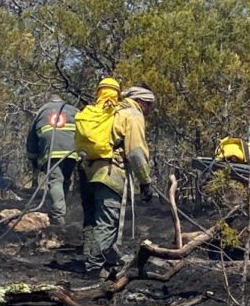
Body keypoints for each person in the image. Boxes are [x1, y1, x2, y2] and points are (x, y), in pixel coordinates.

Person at [80, 84, 155, 277]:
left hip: (88, 170)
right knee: (107, 221)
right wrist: (145, 181)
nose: (149, 111)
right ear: (140, 101)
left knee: (93, 219)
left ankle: (95, 260)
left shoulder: (111, 111)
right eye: (149, 105)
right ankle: (95, 267)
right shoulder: (133, 115)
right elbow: (136, 152)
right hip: (109, 172)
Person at [78, 78, 122, 258]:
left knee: (90, 216)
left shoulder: (87, 112)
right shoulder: (118, 113)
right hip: (107, 170)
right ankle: (95, 263)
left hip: (85, 168)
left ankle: (87, 253)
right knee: (105, 219)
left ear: (98, 92)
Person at [26, 94, 80, 226]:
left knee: (56, 181)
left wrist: (33, 159)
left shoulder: (41, 112)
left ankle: (58, 214)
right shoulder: (74, 110)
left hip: (50, 153)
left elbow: (31, 140)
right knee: (65, 180)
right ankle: (61, 209)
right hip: (71, 153)